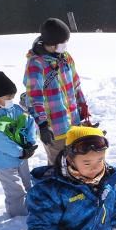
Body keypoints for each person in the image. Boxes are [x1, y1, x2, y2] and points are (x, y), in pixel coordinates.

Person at [24, 17, 90, 166]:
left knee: (76, 160)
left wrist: (82, 107)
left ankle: (76, 189)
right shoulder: (36, 64)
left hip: (73, 122)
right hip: (54, 127)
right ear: (52, 44)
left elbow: (76, 84)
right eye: (62, 43)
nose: (65, 46)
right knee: (58, 165)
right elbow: (34, 98)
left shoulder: (65, 57)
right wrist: (42, 125)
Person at [0, 72, 39, 217]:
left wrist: (30, 143)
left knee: (28, 184)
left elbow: (28, 123)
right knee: (15, 190)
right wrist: (20, 152)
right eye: (7, 97)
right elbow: (1, 141)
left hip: (23, 156)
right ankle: (18, 217)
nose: (11, 100)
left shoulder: (15, 109)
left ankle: (31, 209)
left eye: (12, 97)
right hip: (4, 161)